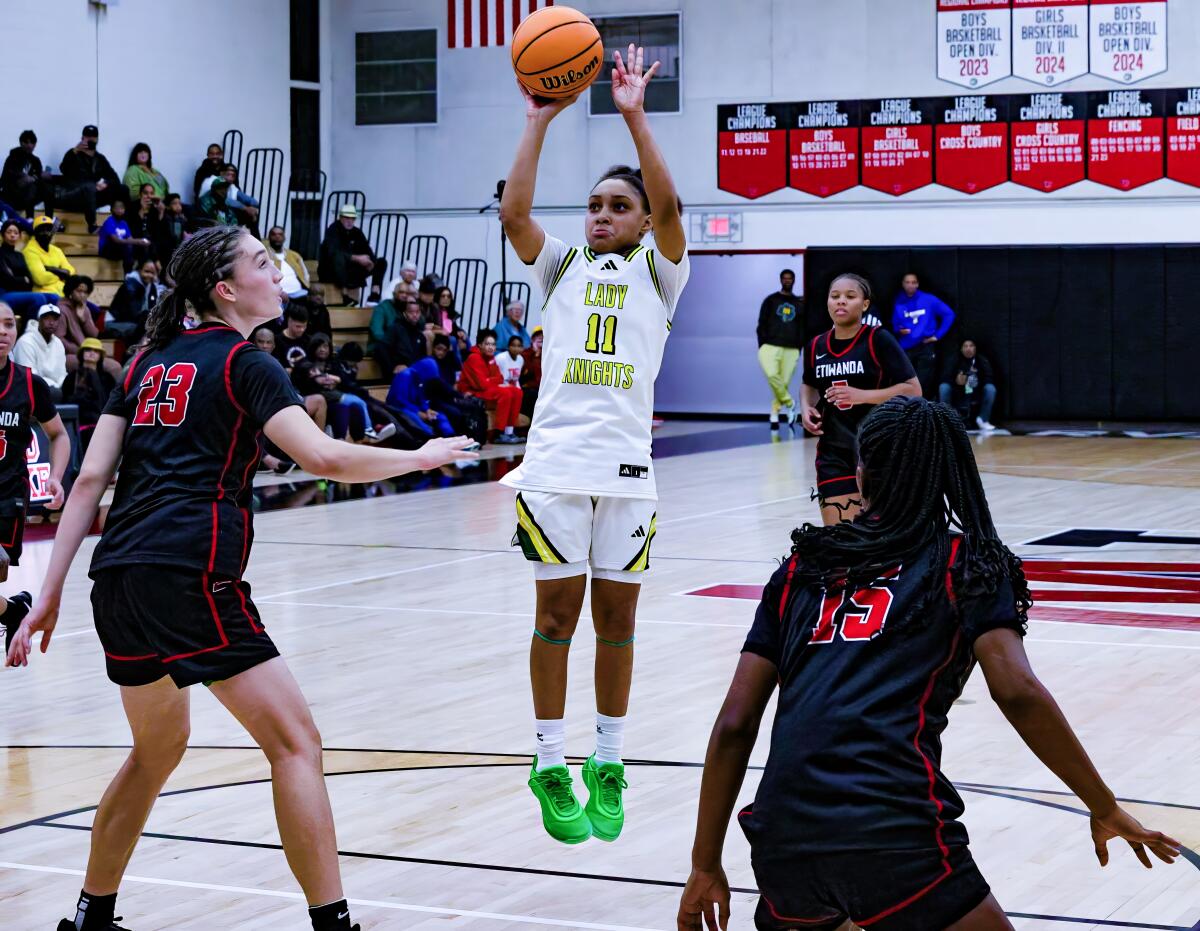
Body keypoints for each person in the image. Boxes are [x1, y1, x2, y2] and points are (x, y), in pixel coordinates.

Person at [3, 225, 476, 931]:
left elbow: (89, 481)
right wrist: (421, 455)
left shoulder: (143, 361)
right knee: (296, 742)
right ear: (226, 289)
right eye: (261, 262)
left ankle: (89, 919)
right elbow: (326, 459)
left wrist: (51, 593)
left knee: (158, 747)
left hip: (120, 579)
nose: (275, 270)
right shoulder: (243, 362)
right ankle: (333, 922)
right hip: (189, 571)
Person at [676, 396, 1181, 931]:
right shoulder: (965, 563)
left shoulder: (802, 568)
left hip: (785, 837)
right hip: (891, 829)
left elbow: (734, 725)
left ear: (861, 471)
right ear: (951, 472)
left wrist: (704, 864)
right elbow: (1018, 692)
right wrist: (1103, 805)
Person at [498, 45, 689, 845]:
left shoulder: (662, 271)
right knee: (556, 618)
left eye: (618, 205)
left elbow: (675, 205)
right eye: (594, 204)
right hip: (555, 468)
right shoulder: (563, 266)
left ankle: (608, 759)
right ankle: (550, 761)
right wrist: (539, 121)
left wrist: (636, 115)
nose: (601, 214)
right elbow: (514, 216)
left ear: (644, 220)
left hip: (629, 474)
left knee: (618, 622)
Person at [801, 273, 920, 527]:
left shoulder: (878, 339)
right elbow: (809, 383)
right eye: (835, 296)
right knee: (840, 540)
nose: (840, 301)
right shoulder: (815, 346)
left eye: (849, 296)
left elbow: (913, 389)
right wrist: (806, 407)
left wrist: (862, 396)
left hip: (876, 450)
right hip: (833, 450)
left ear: (864, 304)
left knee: (875, 536)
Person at [0, 300, 69, 655]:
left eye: (9, 324)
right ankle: (12, 611)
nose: (3, 331)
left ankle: (12, 611)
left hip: (6, 498)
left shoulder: (28, 383)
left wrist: (55, 477)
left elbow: (59, 435)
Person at [292, 334, 395, 444]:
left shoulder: (332, 364)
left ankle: (355, 440)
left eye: (326, 347)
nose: (322, 350)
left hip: (330, 397)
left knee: (351, 407)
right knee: (356, 401)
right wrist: (319, 379)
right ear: (313, 347)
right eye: (319, 346)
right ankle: (368, 431)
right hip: (312, 396)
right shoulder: (305, 363)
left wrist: (332, 382)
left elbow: (339, 381)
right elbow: (303, 381)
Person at [756, 268, 803, 437]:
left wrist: (799, 347)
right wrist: (762, 344)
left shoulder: (799, 303)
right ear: (780, 280)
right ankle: (790, 403)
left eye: (790, 278)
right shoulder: (771, 300)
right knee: (772, 375)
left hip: (792, 348)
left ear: (794, 280)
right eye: (785, 278)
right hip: (770, 345)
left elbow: (803, 327)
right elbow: (761, 322)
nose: (787, 281)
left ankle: (774, 414)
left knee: (782, 383)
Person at [57, 125, 130, 234]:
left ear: (97, 139)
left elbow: (115, 179)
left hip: (93, 197)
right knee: (90, 187)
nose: (90, 139)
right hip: (75, 195)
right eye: (87, 136)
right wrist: (75, 150)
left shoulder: (100, 158)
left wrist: (105, 183)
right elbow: (63, 169)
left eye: (93, 137)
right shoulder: (74, 154)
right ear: (82, 138)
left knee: (123, 189)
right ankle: (92, 225)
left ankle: (123, 223)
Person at [893, 272, 956, 398]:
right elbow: (895, 323)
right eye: (907, 282)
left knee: (923, 384)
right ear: (902, 284)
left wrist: (937, 336)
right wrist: (899, 330)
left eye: (913, 282)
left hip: (925, 347)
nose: (910, 285)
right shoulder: (898, 301)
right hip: (905, 348)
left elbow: (949, 314)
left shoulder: (928, 299)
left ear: (918, 284)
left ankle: (921, 413)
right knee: (905, 383)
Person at [457, 329, 522, 445]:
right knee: (506, 393)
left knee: (517, 392)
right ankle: (499, 433)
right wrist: (492, 380)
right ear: (480, 345)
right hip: (472, 392)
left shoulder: (491, 358)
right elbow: (482, 385)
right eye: (487, 344)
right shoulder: (474, 358)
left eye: (493, 344)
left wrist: (490, 380)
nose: (491, 347)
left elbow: (500, 378)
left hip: (484, 389)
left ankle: (509, 432)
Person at [318, 205, 387, 305]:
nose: (350, 221)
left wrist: (370, 261)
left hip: (351, 271)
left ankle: (375, 293)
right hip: (331, 271)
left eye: (352, 218)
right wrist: (356, 258)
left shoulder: (357, 232)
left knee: (381, 262)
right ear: (340, 217)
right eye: (347, 218)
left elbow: (367, 249)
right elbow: (332, 253)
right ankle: (344, 295)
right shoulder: (333, 231)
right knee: (339, 258)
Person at [57, 276, 121, 379]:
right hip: (68, 355)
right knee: (112, 367)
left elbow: (94, 335)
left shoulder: (84, 308)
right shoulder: (62, 310)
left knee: (115, 366)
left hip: (88, 352)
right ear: (70, 291)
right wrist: (80, 352)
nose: (82, 295)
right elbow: (59, 339)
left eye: (85, 292)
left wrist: (84, 319)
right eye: (79, 291)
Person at [62, 337, 116, 452]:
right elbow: (66, 402)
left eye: (96, 351)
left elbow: (110, 403)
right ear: (82, 353)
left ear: (100, 356)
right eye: (88, 350)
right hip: (78, 425)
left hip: (101, 425)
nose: (92, 353)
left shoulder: (108, 378)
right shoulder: (72, 377)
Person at [0, 218, 58, 320]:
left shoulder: (20, 255)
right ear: (3, 234)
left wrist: (19, 279)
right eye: (9, 232)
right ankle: (30, 331)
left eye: (16, 233)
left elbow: (30, 280)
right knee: (38, 298)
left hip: (21, 293)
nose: (12, 235)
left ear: (19, 236)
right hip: (4, 294)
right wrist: (23, 279)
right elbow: (6, 280)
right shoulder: (0, 253)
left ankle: (50, 332)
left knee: (54, 297)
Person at [386, 357, 456, 439]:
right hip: (398, 408)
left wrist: (427, 410)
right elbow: (401, 401)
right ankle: (430, 438)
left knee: (440, 416)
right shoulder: (405, 376)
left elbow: (421, 398)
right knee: (418, 421)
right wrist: (418, 412)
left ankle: (451, 437)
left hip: (413, 407)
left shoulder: (420, 378)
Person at [940, 337, 997, 433]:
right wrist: (956, 381)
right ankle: (946, 420)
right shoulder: (954, 360)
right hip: (957, 391)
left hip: (976, 390)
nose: (968, 349)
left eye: (971, 346)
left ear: (975, 348)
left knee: (990, 388)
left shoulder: (981, 360)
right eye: (965, 346)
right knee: (943, 387)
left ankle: (983, 419)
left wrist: (977, 381)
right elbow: (945, 377)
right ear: (961, 349)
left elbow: (989, 377)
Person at [12, 303, 67, 401]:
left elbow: (62, 374)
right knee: (54, 393)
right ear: (39, 321)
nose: (51, 323)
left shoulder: (58, 343)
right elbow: (29, 376)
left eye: (55, 319)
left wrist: (63, 386)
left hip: (56, 389)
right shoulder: (25, 341)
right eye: (47, 318)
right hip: (30, 389)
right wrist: (55, 387)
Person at [108, 259, 166, 343]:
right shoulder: (130, 286)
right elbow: (134, 314)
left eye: (153, 273)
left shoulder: (152, 287)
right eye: (146, 271)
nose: (149, 275)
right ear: (139, 271)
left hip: (137, 324)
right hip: (116, 323)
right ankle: (133, 353)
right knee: (144, 329)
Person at [2, 129, 55, 219]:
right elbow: (12, 175)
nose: (29, 145)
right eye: (26, 142)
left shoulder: (35, 160)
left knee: (47, 188)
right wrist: (27, 177)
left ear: (35, 144)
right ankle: (30, 219)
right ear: (21, 143)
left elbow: (38, 175)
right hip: (12, 193)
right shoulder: (13, 157)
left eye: (32, 143)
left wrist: (33, 178)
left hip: (29, 193)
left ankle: (48, 220)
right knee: (31, 186)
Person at [23, 216, 76, 297]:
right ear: (35, 233)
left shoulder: (57, 250)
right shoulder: (29, 251)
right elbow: (40, 278)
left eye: (48, 230)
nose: (46, 233)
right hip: (44, 294)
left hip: (63, 293)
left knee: (91, 307)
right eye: (42, 230)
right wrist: (62, 274)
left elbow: (71, 272)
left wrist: (52, 269)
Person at [97, 199, 152, 273]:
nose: (120, 210)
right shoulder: (109, 221)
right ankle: (128, 273)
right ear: (112, 209)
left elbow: (130, 239)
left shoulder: (124, 223)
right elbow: (116, 240)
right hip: (107, 250)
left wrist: (141, 242)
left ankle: (139, 270)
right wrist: (137, 241)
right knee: (126, 246)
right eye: (117, 208)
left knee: (142, 247)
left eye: (122, 208)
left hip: (121, 250)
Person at [264, 226, 311, 302]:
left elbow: (305, 274)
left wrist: (307, 286)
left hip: (299, 294)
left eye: (280, 234)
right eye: (274, 234)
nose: (277, 237)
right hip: (276, 296)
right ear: (268, 237)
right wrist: (276, 292)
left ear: (284, 238)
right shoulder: (264, 255)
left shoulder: (294, 255)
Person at [273, 303, 312, 369]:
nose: (302, 330)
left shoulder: (308, 340)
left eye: (304, 326)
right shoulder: (277, 340)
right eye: (298, 326)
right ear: (289, 321)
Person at [155, 193, 186, 265]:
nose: (178, 206)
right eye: (174, 203)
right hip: (166, 251)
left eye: (179, 203)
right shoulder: (165, 218)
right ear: (168, 206)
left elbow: (179, 236)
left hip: (177, 249)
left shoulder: (180, 219)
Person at [520, 326, 543, 417]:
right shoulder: (525, 354)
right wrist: (536, 355)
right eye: (538, 336)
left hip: (543, 389)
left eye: (544, 337)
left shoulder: (549, 355)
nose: (541, 338)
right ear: (532, 339)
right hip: (528, 389)